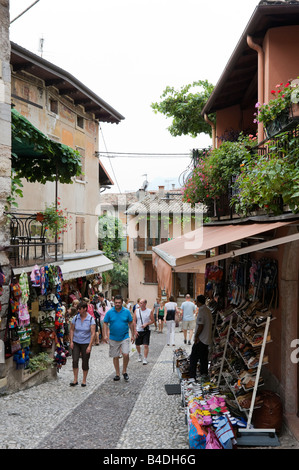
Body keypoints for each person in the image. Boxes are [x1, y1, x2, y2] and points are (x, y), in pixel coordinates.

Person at [102, 294, 135, 381]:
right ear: (114, 302)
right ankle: (117, 373)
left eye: (119, 303)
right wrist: (105, 335)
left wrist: (133, 335)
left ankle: (124, 371)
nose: (117, 304)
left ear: (122, 303)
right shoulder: (110, 312)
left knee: (126, 354)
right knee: (115, 356)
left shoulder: (126, 312)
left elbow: (131, 323)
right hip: (113, 337)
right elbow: (105, 323)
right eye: (116, 302)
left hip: (125, 336)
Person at [69, 300, 96, 387]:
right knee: (75, 360)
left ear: (85, 309)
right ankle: (75, 379)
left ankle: (84, 380)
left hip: (86, 342)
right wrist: (71, 341)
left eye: (80, 309)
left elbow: (93, 333)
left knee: (85, 361)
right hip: (76, 342)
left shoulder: (91, 319)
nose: (78, 310)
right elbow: (72, 329)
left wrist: (90, 346)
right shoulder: (75, 318)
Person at [189, 295, 213, 381]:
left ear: (199, 302)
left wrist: (196, 336)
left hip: (201, 339)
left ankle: (192, 376)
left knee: (193, 358)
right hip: (206, 338)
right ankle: (204, 375)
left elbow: (200, 325)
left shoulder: (202, 310)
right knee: (203, 359)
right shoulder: (207, 310)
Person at [133, 299, 154, 365]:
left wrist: (146, 324)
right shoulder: (136, 311)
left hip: (146, 330)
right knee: (137, 345)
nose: (140, 304)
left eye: (142, 303)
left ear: (145, 304)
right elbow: (134, 321)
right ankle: (139, 354)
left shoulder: (149, 311)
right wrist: (135, 330)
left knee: (145, 345)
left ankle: (145, 358)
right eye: (140, 303)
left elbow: (153, 320)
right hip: (138, 330)